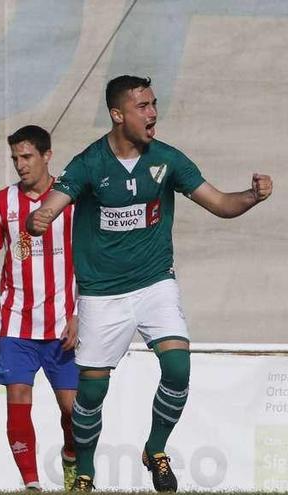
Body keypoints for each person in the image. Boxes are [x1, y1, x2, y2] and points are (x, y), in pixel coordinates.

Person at [26, 75, 273, 492]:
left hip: (155, 281)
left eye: (153, 104)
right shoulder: (89, 162)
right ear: (118, 114)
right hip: (102, 292)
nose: (153, 113)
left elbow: (220, 203)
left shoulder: (167, 160)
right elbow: (52, 204)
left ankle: (155, 450)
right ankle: (84, 472)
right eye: (142, 106)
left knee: (178, 367)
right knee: (91, 394)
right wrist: (40, 218)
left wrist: (250, 196)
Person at [0, 125, 78, 491]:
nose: (20, 164)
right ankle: (31, 483)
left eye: (27, 156)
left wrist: (81, 314)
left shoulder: (73, 198)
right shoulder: (2, 203)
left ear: (48, 156)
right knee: (17, 398)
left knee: (75, 413)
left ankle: (70, 456)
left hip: (64, 323)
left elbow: (91, 257)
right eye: (15, 157)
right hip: (16, 323)